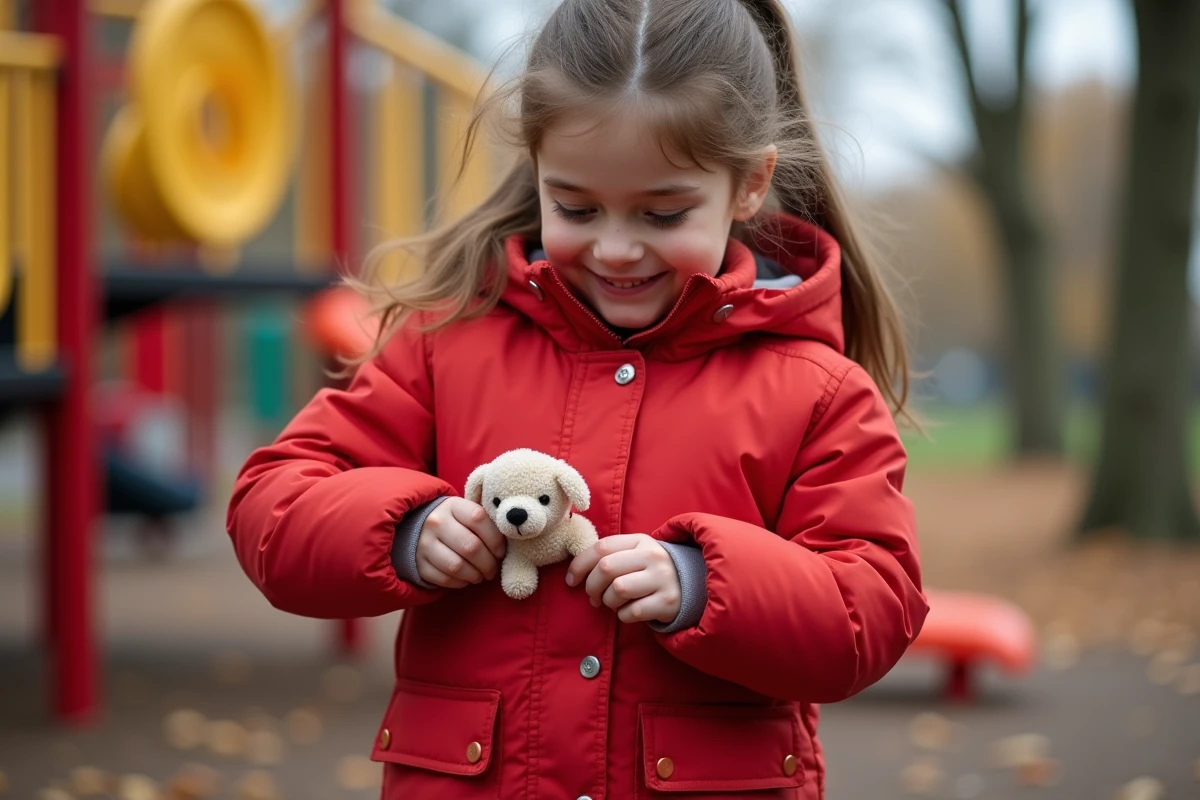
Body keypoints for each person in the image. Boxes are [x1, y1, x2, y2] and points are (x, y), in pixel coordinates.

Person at [227, 0, 928, 797]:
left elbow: (872, 605)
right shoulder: (446, 342)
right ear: (537, 172)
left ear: (749, 186)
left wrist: (706, 584)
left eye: (663, 212)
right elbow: (272, 504)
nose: (617, 247)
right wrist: (404, 530)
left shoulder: (818, 391)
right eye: (577, 207)